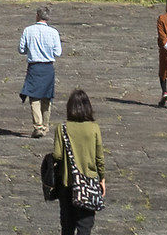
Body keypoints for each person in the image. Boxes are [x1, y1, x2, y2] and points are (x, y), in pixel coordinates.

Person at [54, 89, 106, 234]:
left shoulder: (62, 128)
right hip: (87, 184)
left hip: (67, 182)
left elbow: (57, 155)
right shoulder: (94, 128)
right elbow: (99, 157)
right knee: (85, 226)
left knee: (67, 226)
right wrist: (102, 178)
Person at [17, 7, 63, 137]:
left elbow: (21, 49)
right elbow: (58, 52)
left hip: (34, 67)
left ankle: (38, 125)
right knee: (47, 97)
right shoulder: (53, 32)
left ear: (37, 15)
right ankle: (45, 126)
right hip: (48, 67)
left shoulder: (28, 30)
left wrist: (31, 50)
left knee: (34, 97)